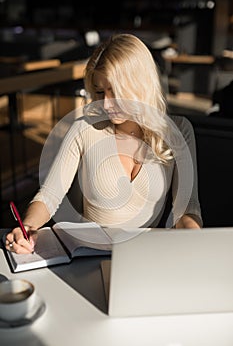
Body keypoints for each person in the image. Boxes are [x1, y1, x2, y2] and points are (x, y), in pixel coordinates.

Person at [5, 33, 202, 254]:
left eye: (115, 92)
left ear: (141, 85)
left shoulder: (178, 131)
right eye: (99, 92)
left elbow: (186, 207)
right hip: (88, 255)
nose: (107, 104)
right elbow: (50, 195)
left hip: (144, 257)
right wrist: (28, 227)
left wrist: (194, 240)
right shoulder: (84, 128)